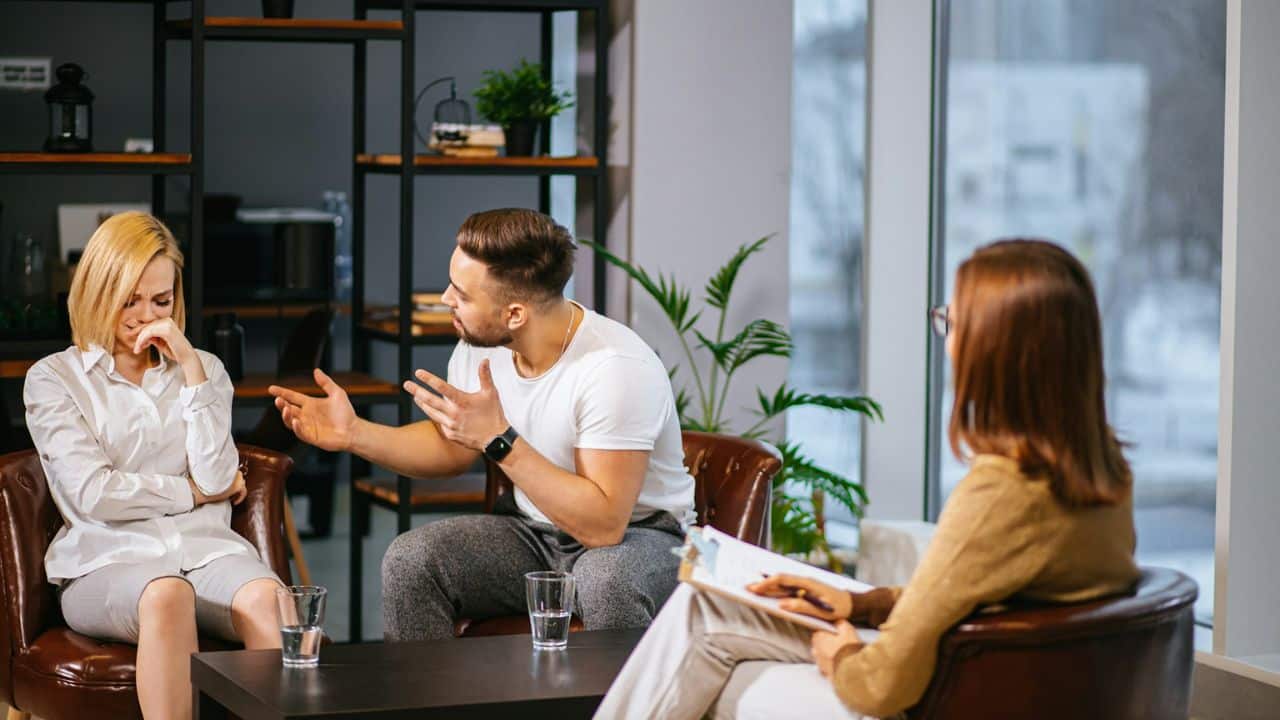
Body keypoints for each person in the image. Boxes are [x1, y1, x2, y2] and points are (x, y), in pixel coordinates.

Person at [594, 239, 1142, 719]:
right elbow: (983, 598)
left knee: (708, 661)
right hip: (990, 687)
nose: (946, 335)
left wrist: (845, 655)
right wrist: (861, 604)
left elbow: (881, 685)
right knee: (704, 623)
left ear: (997, 351)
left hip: (933, 702)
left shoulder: (1001, 490)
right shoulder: (1100, 472)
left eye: (954, 320)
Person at [270, 208, 696, 640]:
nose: (445, 299)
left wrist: (500, 440)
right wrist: (355, 434)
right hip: (535, 531)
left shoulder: (613, 368)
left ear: (514, 313)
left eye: (462, 293)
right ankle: (433, 707)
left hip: (641, 538)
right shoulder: (486, 342)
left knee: (606, 580)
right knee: (412, 561)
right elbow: (454, 446)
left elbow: (604, 526)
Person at [23, 212, 284, 720]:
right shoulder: (53, 379)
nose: (147, 317)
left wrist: (189, 367)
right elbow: (94, 493)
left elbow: (215, 476)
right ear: (99, 292)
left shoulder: (204, 369)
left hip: (207, 556)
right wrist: (190, 493)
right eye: (130, 301)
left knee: (269, 600)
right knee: (167, 595)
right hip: (107, 565)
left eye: (161, 301)